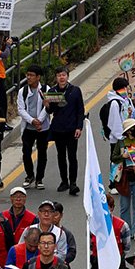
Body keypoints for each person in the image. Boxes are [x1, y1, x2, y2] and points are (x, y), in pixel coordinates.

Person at [47, 65, 85, 195]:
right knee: (61, 156)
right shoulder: (52, 91)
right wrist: (47, 105)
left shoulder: (75, 90)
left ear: (67, 76)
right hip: (58, 128)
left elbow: (80, 110)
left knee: (72, 156)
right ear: (56, 78)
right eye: (59, 75)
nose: (61, 77)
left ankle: (73, 183)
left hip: (72, 128)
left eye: (63, 75)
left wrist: (79, 127)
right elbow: (50, 111)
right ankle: (64, 181)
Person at [18, 66, 51, 189]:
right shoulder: (23, 91)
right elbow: (21, 109)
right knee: (26, 152)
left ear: (38, 77)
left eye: (32, 75)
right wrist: (32, 121)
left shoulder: (46, 89)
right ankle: (29, 175)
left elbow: (47, 107)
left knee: (42, 153)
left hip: (43, 128)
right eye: (28, 75)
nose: (29, 77)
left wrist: (40, 121)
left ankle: (39, 179)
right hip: (28, 127)